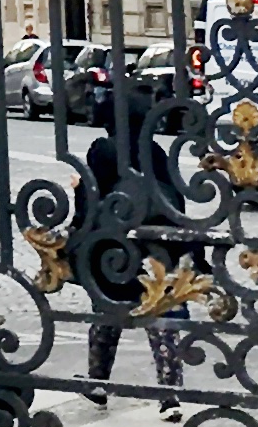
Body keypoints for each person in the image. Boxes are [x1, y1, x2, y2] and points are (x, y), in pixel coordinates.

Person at [80, 74, 196, 405]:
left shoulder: (103, 150)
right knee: (161, 321)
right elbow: (177, 201)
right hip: (156, 246)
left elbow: (93, 201)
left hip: (113, 251)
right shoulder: (155, 152)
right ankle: (169, 392)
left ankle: (97, 382)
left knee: (106, 319)